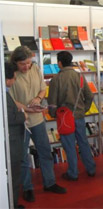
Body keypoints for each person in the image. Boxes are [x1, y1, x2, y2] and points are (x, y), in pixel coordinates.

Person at [9, 46, 66, 203]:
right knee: (22, 157)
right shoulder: (11, 75)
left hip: (38, 120)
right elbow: (11, 102)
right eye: (22, 64)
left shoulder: (35, 69)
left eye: (28, 63)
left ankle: (50, 182)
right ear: (15, 62)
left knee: (45, 151)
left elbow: (42, 89)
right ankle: (27, 188)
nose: (26, 67)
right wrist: (28, 108)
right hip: (22, 122)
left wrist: (38, 99)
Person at [47, 51, 96, 181]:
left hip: (64, 118)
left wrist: (53, 114)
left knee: (69, 146)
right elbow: (90, 96)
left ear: (59, 63)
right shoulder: (79, 76)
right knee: (83, 142)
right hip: (79, 115)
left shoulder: (56, 79)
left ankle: (73, 173)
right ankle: (91, 168)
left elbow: (52, 101)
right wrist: (84, 109)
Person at [5, 62, 27, 209]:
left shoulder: (5, 93)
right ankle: (12, 204)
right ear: (8, 79)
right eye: (14, 77)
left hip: (12, 141)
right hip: (12, 143)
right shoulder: (5, 94)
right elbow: (10, 118)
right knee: (13, 175)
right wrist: (23, 115)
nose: (15, 80)